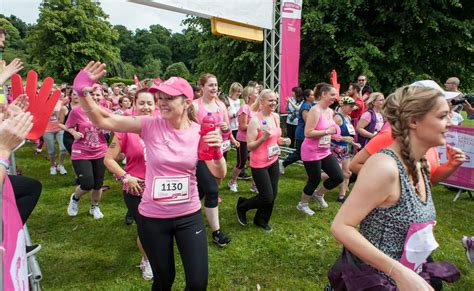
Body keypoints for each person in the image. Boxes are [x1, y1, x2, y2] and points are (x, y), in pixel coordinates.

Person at [72, 61, 226, 290]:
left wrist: (216, 152)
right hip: (153, 218)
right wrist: (82, 90)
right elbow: (104, 120)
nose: (161, 102)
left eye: (169, 98)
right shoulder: (149, 125)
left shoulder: (198, 131)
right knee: (164, 280)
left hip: (188, 215)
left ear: (185, 102)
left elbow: (219, 173)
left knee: (197, 283)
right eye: (160, 97)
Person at [331, 83, 465, 290]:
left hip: (412, 274)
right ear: (413, 121)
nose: (451, 123)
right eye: (442, 116)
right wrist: (399, 273)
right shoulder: (385, 167)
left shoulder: (422, 163)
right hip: (377, 281)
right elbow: (341, 226)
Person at [350, 80, 465, 186]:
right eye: (442, 116)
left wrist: (451, 165)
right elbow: (355, 165)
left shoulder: (428, 140)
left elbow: (430, 179)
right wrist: (397, 182)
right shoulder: (390, 135)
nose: (450, 123)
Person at [104, 88, 155, 281]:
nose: (146, 107)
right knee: (146, 228)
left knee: (159, 228)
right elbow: (108, 159)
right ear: (134, 105)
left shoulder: (162, 126)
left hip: (159, 188)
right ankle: (146, 260)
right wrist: (126, 177)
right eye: (141, 103)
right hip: (136, 188)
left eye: (150, 103)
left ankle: (157, 255)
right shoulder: (125, 130)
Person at [236, 89, 290, 231]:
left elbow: (275, 139)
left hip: (273, 160)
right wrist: (263, 138)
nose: (274, 103)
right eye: (270, 100)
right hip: (259, 163)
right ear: (262, 101)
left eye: (275, 100)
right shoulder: (255, 120)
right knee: (266, 196)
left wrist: (282, 140)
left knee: (273, 194)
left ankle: (261, 219)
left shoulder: (276, 117)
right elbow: (250, 146)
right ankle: (242, 205)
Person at [192, 73, 232, 247]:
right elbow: (188, 131)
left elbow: (227, 131)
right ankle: (216, 233)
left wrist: (225, 128)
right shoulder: (194, 106)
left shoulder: (221, 105)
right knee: (212, 189)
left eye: (216, 85)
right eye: (210, 85)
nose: (214, 88)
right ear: (202, 87)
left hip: (217, 152)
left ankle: (187, 218)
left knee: (200, 191)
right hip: (199, 154)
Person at [297, 83, 343, 216]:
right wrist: (327, 131)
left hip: (324, 150)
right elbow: (308, 132)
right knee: (314, 179)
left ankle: (318, 194)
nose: (335, 98)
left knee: (338, 176)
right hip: (311, 151)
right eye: (332, 95)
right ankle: (302, 204)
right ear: (323, 94)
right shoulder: (315, 110)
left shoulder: (330, 111)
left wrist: (339, 136)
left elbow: (333, 129)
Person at [66, 84, 109, 219]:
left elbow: (113, 126)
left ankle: (94, 207)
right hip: (81, 152)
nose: (95, 97)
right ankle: (75, 198)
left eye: (98, 94)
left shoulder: (105, 111)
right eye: (92, 94)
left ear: (102, 96)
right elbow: (69, 126)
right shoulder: (77, 111)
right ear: (87, 95)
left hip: (100, 151)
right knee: (87, 184)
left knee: (98, 184)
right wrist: (74, 133)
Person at [228, 85, 258, 192]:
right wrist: (256, 126)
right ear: (250, 96)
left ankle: (254, 185)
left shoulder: (257, 108)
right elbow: (242, 126)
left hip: (254, 140)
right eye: (256, 93)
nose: (258, 94)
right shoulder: (244, 107)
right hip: (243, 140)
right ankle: (233, 181)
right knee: (241, 163)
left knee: (256, 162)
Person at [331, 96, 360, 202]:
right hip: (335, 148)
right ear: (343, 105)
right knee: (337, 173)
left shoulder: (348, 118)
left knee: (347, 173)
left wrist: (353, 143)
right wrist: (343, 138)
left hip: (346, 148)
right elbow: (329, 135)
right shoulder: (337, 118)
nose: (352, 109)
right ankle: (315, 178)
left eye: (353, 107)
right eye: (350, 106)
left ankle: (341, 195)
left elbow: (349, 134)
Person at [280, 88, 315, 173]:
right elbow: (308, 122)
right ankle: (283, 163)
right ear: (307, 97)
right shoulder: (306, 107)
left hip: (305, 133)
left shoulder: (311, 105)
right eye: (312, 95)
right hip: (302, 133)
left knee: (306, 152)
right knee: (299, 153)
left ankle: (313, 170)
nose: (314, 96)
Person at [43, 95, 69, 175]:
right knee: (52, 151)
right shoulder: (43, 103)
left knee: (63, 148)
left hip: (59, 128)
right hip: (47, 129)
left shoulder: (60, 103)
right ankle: (53, 166)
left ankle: (61, 165)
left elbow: (65, 113)